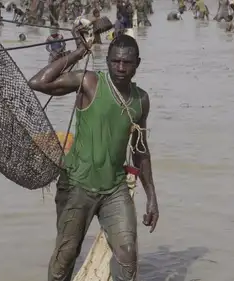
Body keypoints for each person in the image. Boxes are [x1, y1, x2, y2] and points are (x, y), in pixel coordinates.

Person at [28, 30, 159, 281]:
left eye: (127, 62)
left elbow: (140, 149)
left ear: (137, 64)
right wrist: (79, 52)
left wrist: (151, 196)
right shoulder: (89, 82)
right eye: (115, 61)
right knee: (65, 257)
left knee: (128, 253)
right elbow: (38, 82)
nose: (121, 67)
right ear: (107, 60)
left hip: (114, 188)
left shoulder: (140, 99)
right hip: (77, 184)